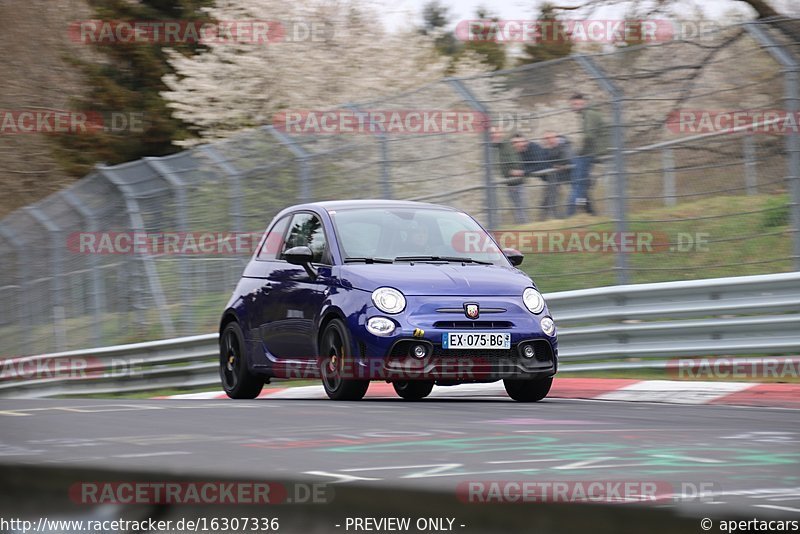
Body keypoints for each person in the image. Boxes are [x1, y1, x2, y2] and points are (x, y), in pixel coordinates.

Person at [567, 93, 609, 216]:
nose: (576, 106)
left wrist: (580, 151)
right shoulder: (587, 114)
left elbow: (589, 135)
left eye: (578, 103)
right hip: (592, 150)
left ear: (584, 102)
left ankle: (571, 212)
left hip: (592, 151)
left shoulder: (589, 114)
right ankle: (589, 212)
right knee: (581, 184)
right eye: (574, 104)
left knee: (578, 183)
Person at [490, 126, 527, 225]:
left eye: (495, 133)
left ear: (501, 133)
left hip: (514, 184)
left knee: (519, 208)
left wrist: (512, 182)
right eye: (492, 134)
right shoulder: (498, 146)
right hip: (509, 183)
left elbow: (514, 163)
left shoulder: (506, 145)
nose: (493, 135)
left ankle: (524, 228)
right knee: (518, 208)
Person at [539, 131, 574, 220]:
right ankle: (551, 217)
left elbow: (568, 158)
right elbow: (546, 161)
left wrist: (559, 164)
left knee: (580, 195)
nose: (548, 140)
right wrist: (555, 165)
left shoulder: (564, 145)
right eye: (546, 139)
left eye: (550, 138)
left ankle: (588, 213)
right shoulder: (549, 148)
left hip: (573, 173)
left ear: (556, 137)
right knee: (550, 194)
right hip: (559, 176)